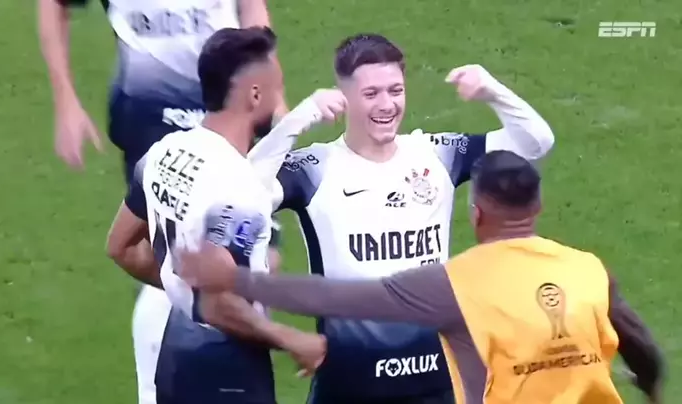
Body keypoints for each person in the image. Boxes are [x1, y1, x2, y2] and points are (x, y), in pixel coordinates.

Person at [180, 150, 665, 404]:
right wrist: (651, 388)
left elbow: (336, 297)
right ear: (538, 207)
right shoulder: (588, 269)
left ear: (476, 214)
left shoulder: (455, 285)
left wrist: (236, 279)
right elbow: (642, 347)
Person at [243, 33, 554, 404]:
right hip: (349, 385)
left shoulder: (436, 155)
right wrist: (299, 118)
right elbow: (242, 191)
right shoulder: (315, 168)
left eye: (396, 91)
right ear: (343, 97)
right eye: (371, 93)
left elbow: (535, 143)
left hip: (436, 381)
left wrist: (492, 91)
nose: (387, 104)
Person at [38, 1, 286, 403]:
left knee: (259, 261)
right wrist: (65, 99)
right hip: (153, 113)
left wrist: (274, 93)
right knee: (180, 260)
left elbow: (251, 7)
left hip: (233, 101)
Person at [107, 27, 349, 404]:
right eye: (276, 88)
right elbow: (220, 303)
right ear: (255, 95)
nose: (279, 98)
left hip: (176, 351)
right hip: (227, 368)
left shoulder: (164, 152)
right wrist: (292, 339)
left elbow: (120, 247)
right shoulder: (237, 190)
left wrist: (182, 290)